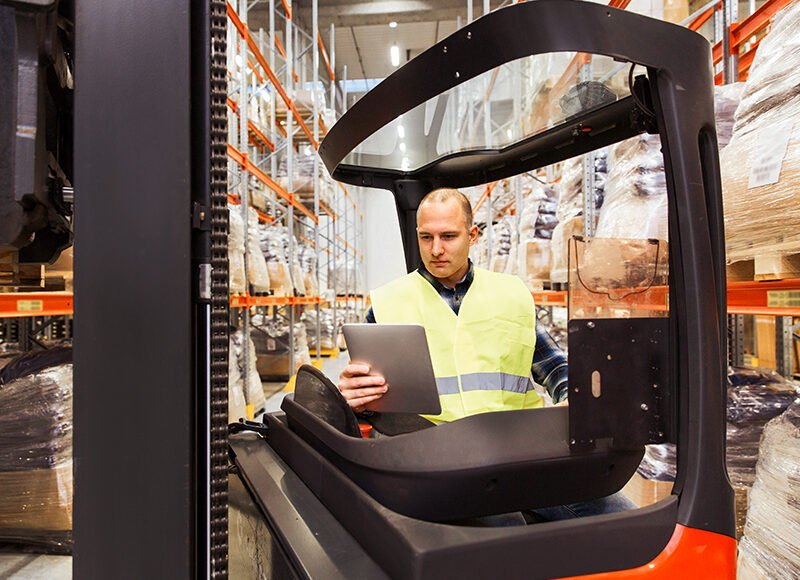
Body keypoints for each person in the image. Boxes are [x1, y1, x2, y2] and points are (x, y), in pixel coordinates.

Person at [337, 187, 636, 523]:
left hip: (517, 453)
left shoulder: (511, 294)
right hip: (434, 461)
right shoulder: (388, 303)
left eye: (448, 236)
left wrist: (572, 397)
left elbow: (554, 365)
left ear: (473, 235)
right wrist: (355, 396)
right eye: (426, 237)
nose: (436, 249)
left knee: (625, 518)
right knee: (504, 529)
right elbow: (367, 396)